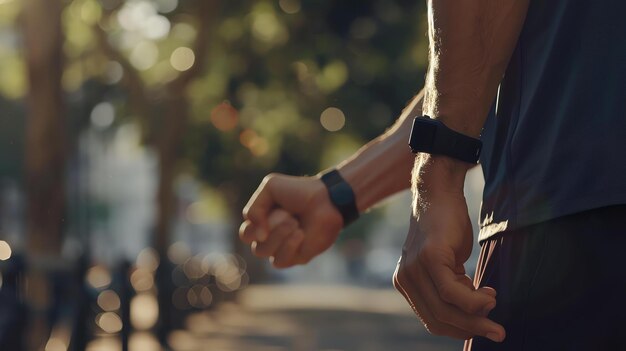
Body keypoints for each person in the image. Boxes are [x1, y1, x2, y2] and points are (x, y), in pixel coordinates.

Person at [241, 0, 626, 349]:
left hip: (571, 226)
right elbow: (487, 58)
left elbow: (485, 33)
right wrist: (338, 194)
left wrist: (437, 177)